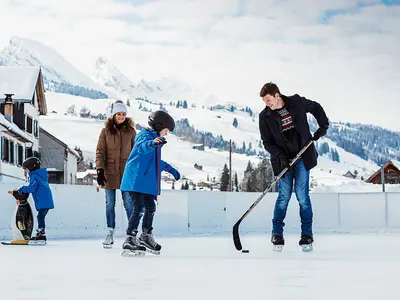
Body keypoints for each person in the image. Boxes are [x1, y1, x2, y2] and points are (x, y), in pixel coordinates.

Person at [258, 82, 329, 249]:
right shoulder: (265, 116)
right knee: (283, 197)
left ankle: (307, 235)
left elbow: (316, 107)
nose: (267, 104)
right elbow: (267, 143)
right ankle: (277, 235)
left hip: (302, 156)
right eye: (264, 102)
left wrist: (323, 126)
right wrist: (281, 157)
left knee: (302, 196)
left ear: (277, 95)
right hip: (283, 162)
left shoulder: (296, 102)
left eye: (268, 100)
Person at [120, 110, 181, 254]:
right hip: (134, 181)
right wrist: (152, 144)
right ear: (160, 126)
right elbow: (142, 148)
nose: (166, 134)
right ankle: (130, 238)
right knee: (138, 208)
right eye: (166, 130)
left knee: (150, 208)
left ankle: (146, 236)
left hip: (145, 184)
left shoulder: (156, 141)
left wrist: (172, 170)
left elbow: (156, 162)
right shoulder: (144, 136)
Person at [95, 100, 136, 247]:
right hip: (109, 172)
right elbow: (100, 151)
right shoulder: (105, 131)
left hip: (126, 173)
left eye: (123, 114)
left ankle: (132, 233)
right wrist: (99, 170)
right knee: (109, 204)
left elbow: (135, 152)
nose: (121, 116)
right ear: (113, 115)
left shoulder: (131, 132)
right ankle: (110, 232)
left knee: (129, 204)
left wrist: (136, 172)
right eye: (119, 114)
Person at [18, 157, 54, 242]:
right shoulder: (40, 175)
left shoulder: (34, 176)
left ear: (31, 167)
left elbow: (32, 188)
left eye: (26, 168)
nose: (26, 171)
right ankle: (41, 234)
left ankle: (41, 234)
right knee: (40, 217)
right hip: (45, 200)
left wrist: (22, 189)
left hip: (43, 201)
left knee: (40, 217)